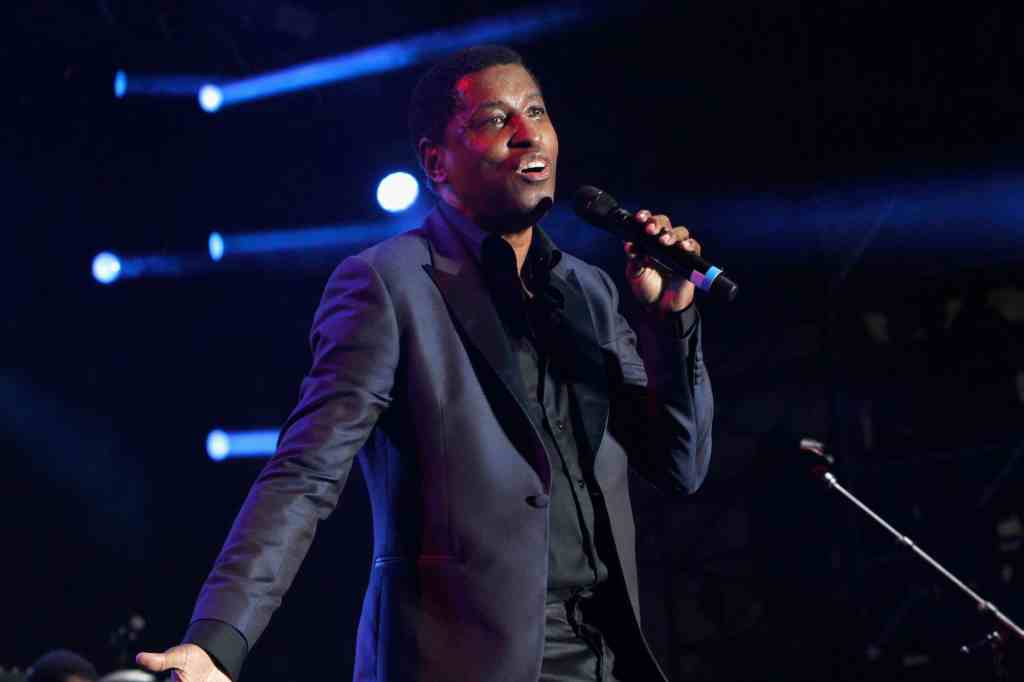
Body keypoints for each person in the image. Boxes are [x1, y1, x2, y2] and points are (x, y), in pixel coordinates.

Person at [137, 44, 713, 682]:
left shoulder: (592, 295)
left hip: (608, 657)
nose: (528, 134)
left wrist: (672, 321)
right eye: (495, 120)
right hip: (463, 662)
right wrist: (218, 641)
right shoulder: (387, 285)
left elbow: (678, 465)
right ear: (435, 162)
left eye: (537, 111)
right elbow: (305, 475)